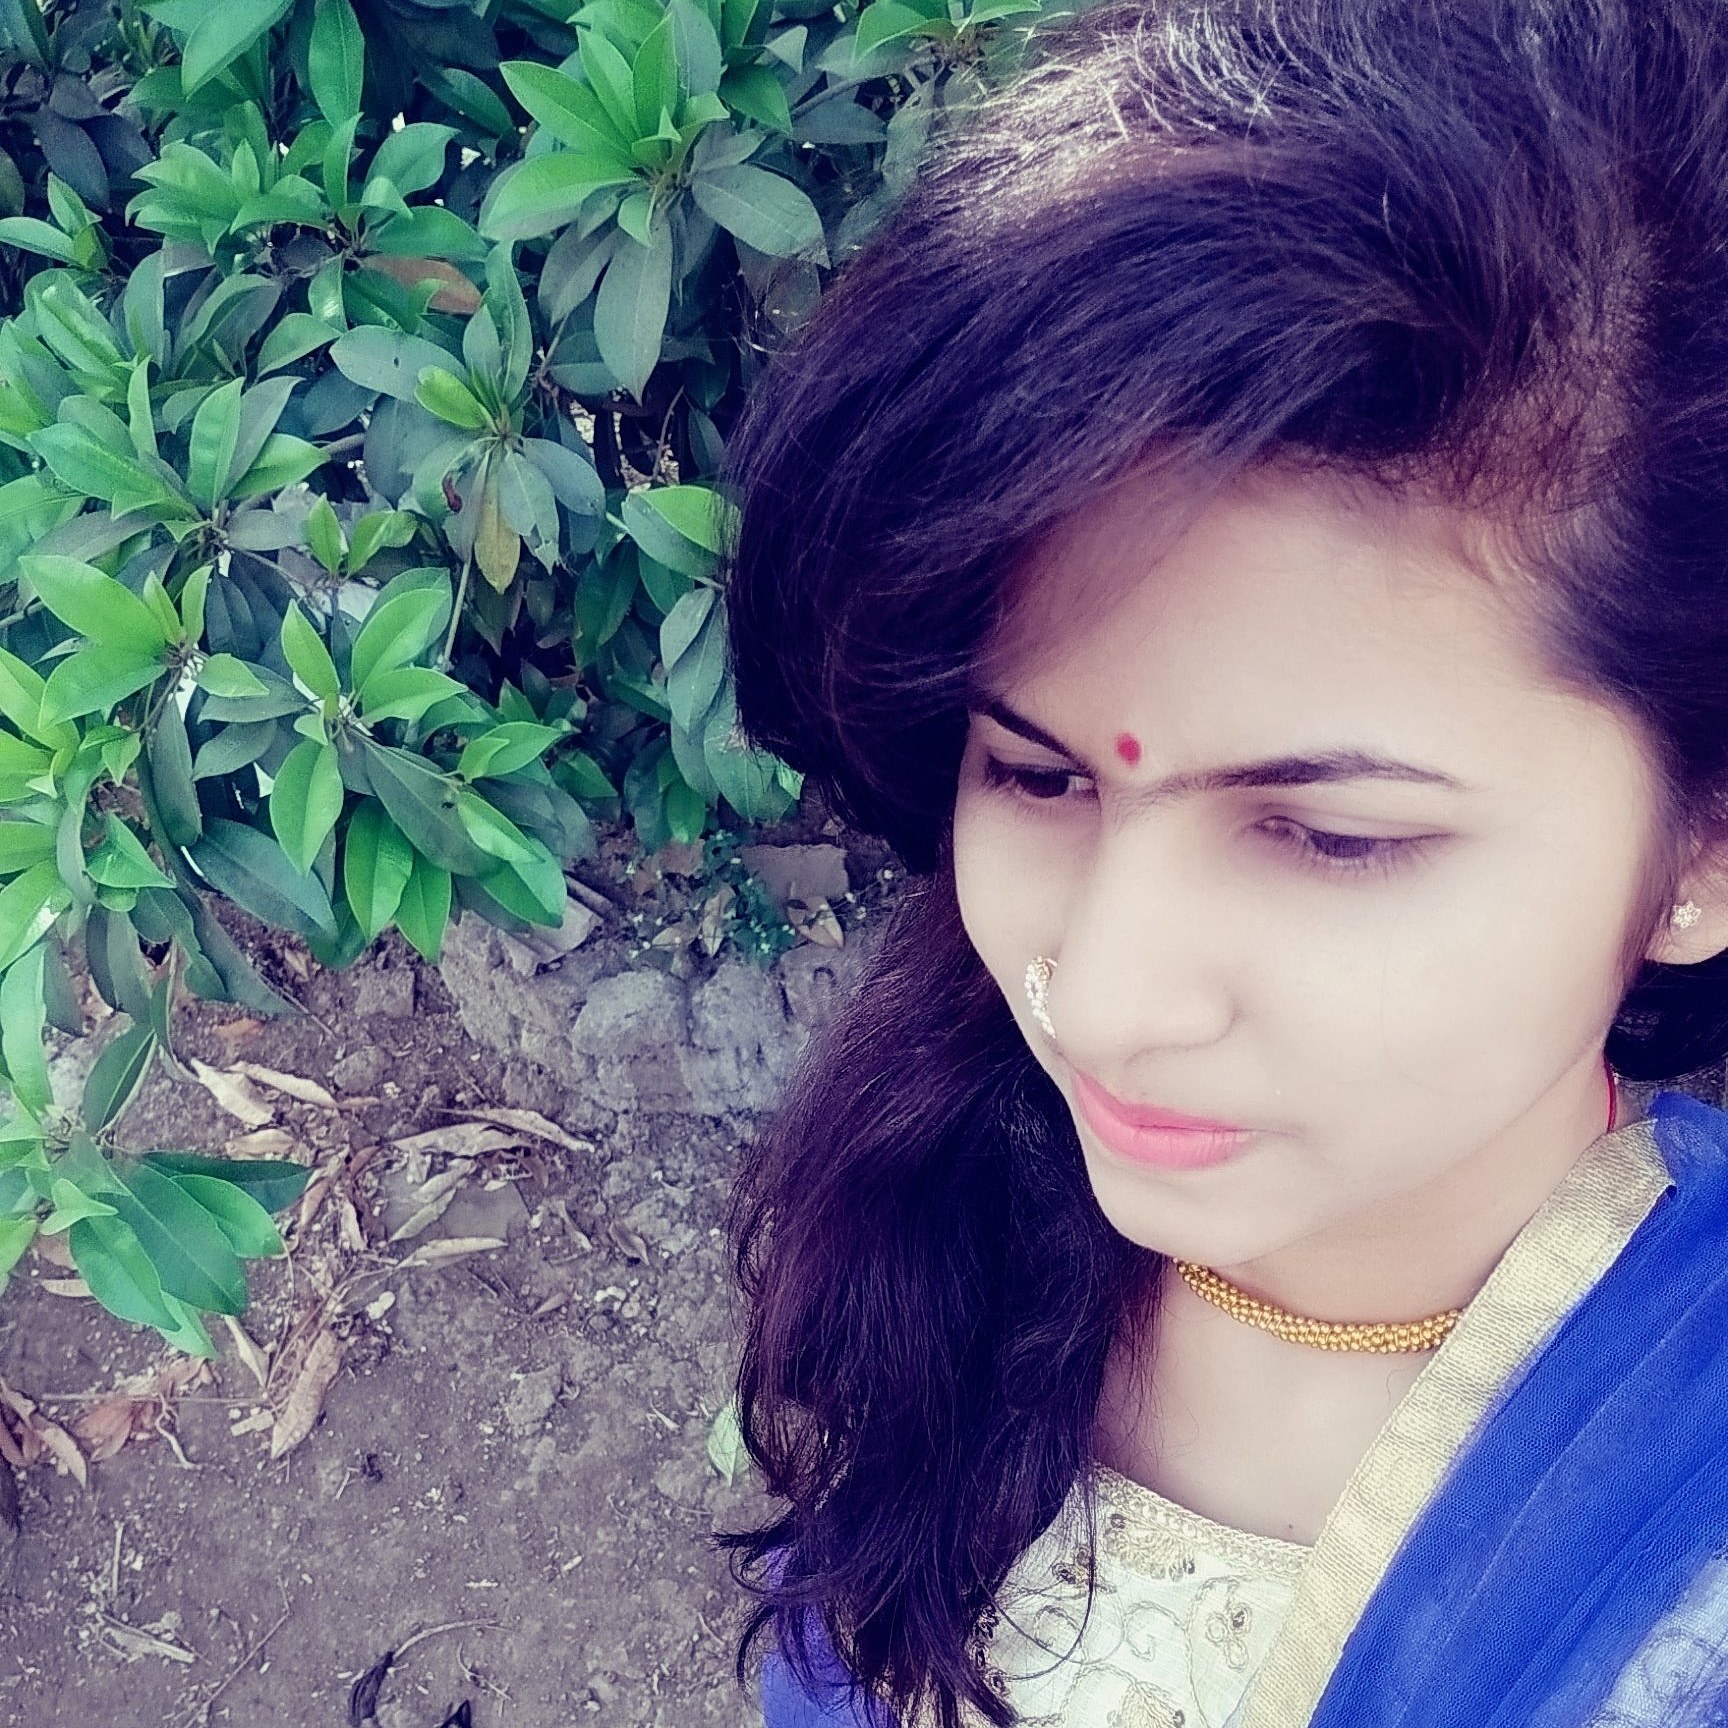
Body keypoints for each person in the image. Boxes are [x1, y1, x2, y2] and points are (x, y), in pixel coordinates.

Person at [715, 1, 1728, 1723]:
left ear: (1702, 843)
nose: (1102, 1000)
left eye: (1330, 836)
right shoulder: (943, 1171)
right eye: (1036, 775)